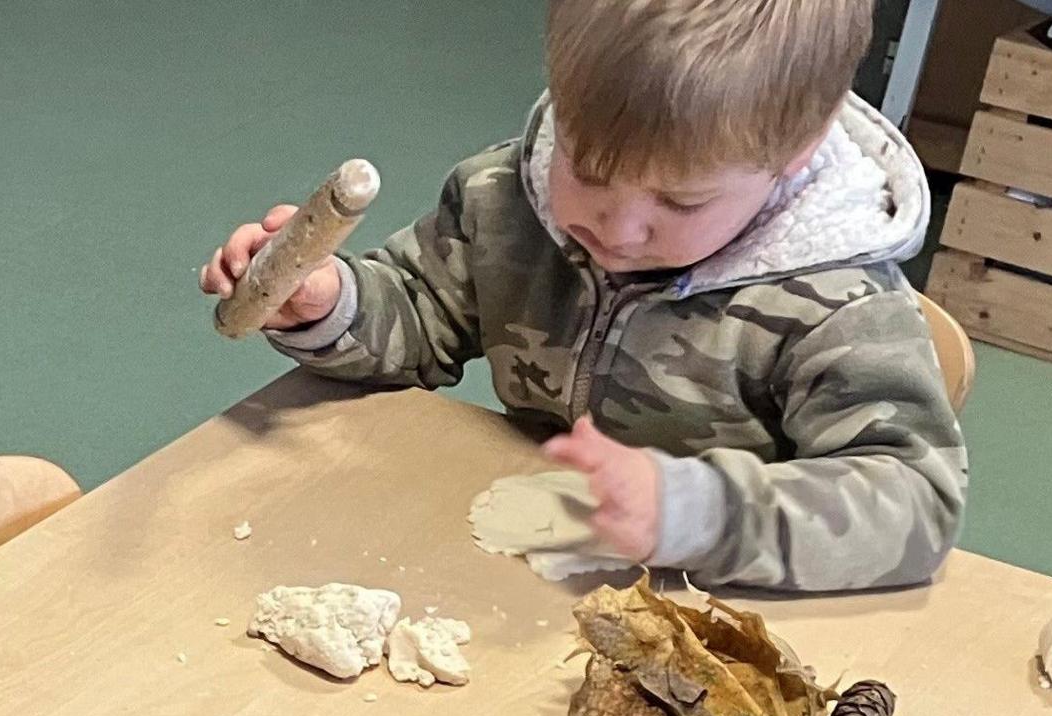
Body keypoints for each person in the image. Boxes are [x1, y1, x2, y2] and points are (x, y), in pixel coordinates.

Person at [200, 0, 966, 593]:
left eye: (682, 203)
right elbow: (420, 310)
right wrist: (331, 303)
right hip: (515, 583)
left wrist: (693, 511)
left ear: (794, 156)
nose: (619, 228)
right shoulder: (506, 196)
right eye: (589, 170)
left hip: (711, 625)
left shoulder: (838, 309)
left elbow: (912, 504)